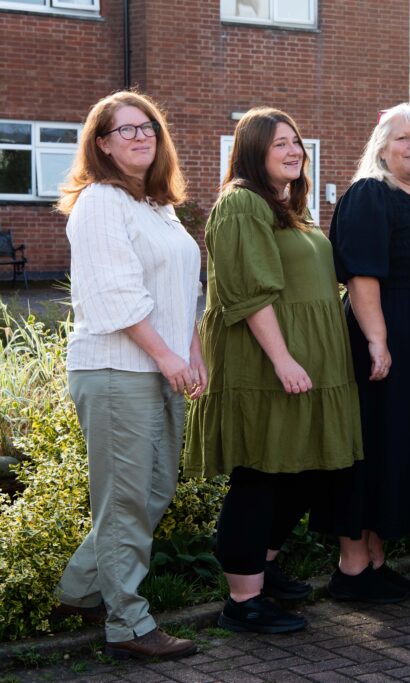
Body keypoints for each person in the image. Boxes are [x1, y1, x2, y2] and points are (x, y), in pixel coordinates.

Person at [184, 107, 362, 633]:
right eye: (280, 143)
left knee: (303, 468)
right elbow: (250, 292)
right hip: (264, 365)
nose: (293, 151)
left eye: (297, 143)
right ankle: (242, 602)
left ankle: (264, 566)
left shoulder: (289, 208)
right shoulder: (240, 204)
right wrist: (283, 359)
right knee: (259, 475)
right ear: (253, 150)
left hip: (305, 361)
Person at [54, 91, 203, 660]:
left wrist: (192, 352)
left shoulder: (157, 208)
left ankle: (78, 591)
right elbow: (117, 294)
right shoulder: (99, 203)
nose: (141, 137)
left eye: (148, 128)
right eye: (126, 130)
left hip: (160, 365)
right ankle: (128, 625)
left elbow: (178, 294)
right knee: (125, 502)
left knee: (154, 489)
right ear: (102, 144)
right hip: (117, 369)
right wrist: (167, 357)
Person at [325, 103, 410, 602]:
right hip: (384, 343)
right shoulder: (369, 194)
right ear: (381, 148)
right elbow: (362, 273)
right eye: (402, 137)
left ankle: (376, 562)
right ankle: (352, 569)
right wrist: (377, 341)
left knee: (394, 445)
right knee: (370, 447)